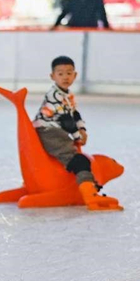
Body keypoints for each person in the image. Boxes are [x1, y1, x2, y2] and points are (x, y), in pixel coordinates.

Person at [34, 56, 121, 211]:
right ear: (52, 76)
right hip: (49, 131)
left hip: (58, 130)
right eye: (60, 74)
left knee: (79, 158)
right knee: (79, 161)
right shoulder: (54, 95)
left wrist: (82, 130)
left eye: (69, 73)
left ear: (75, 75)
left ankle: (89, 190)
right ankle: (90, 196)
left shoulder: (68, 95)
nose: (65, 77)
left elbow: (74, 114)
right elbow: (65, 119)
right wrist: (77, 137)